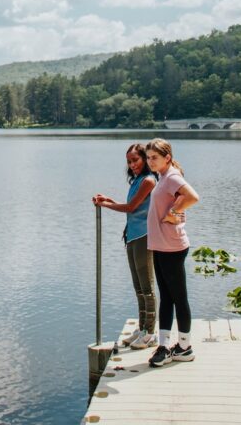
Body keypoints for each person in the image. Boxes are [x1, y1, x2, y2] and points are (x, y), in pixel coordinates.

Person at [93, 143, 157, 350]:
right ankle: (142, 328)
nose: (132, 165)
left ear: (145, 159)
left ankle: (150, 332)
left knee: (147, 287)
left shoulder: (148, 180)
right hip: (132, 236)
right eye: (129, 162)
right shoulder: (137, 180)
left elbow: (131, 207)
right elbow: (131, 208)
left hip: (144, 236)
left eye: (136, 160)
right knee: (138, 286)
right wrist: (109, 200)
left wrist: (105, 205)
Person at [145, 138, 199, 367]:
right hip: (160, 245)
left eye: (154, 157)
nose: (150, 162)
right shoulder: (163, 177)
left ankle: (185, 347)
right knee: (166, 297)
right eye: (148, 157)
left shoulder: (172, 176)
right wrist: (172, 211)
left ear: (167, 157)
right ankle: (165, 345)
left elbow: (193, 197)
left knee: (178, 297)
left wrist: (174, 211)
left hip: (172, 246)